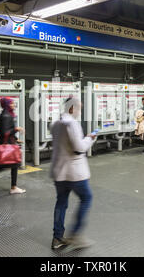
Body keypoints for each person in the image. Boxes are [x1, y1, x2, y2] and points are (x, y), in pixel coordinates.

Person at [50, 97, 96, 251]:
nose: (79, 111)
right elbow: (79, 148)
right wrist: (90, 139)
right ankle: (76, 234)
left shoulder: (56, 124)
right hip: (74, 173)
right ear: (71, 109)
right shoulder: (72, 124)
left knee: (61, 203)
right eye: (79, 108)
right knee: (86, 198)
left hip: (59, 172)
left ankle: (57, 237)